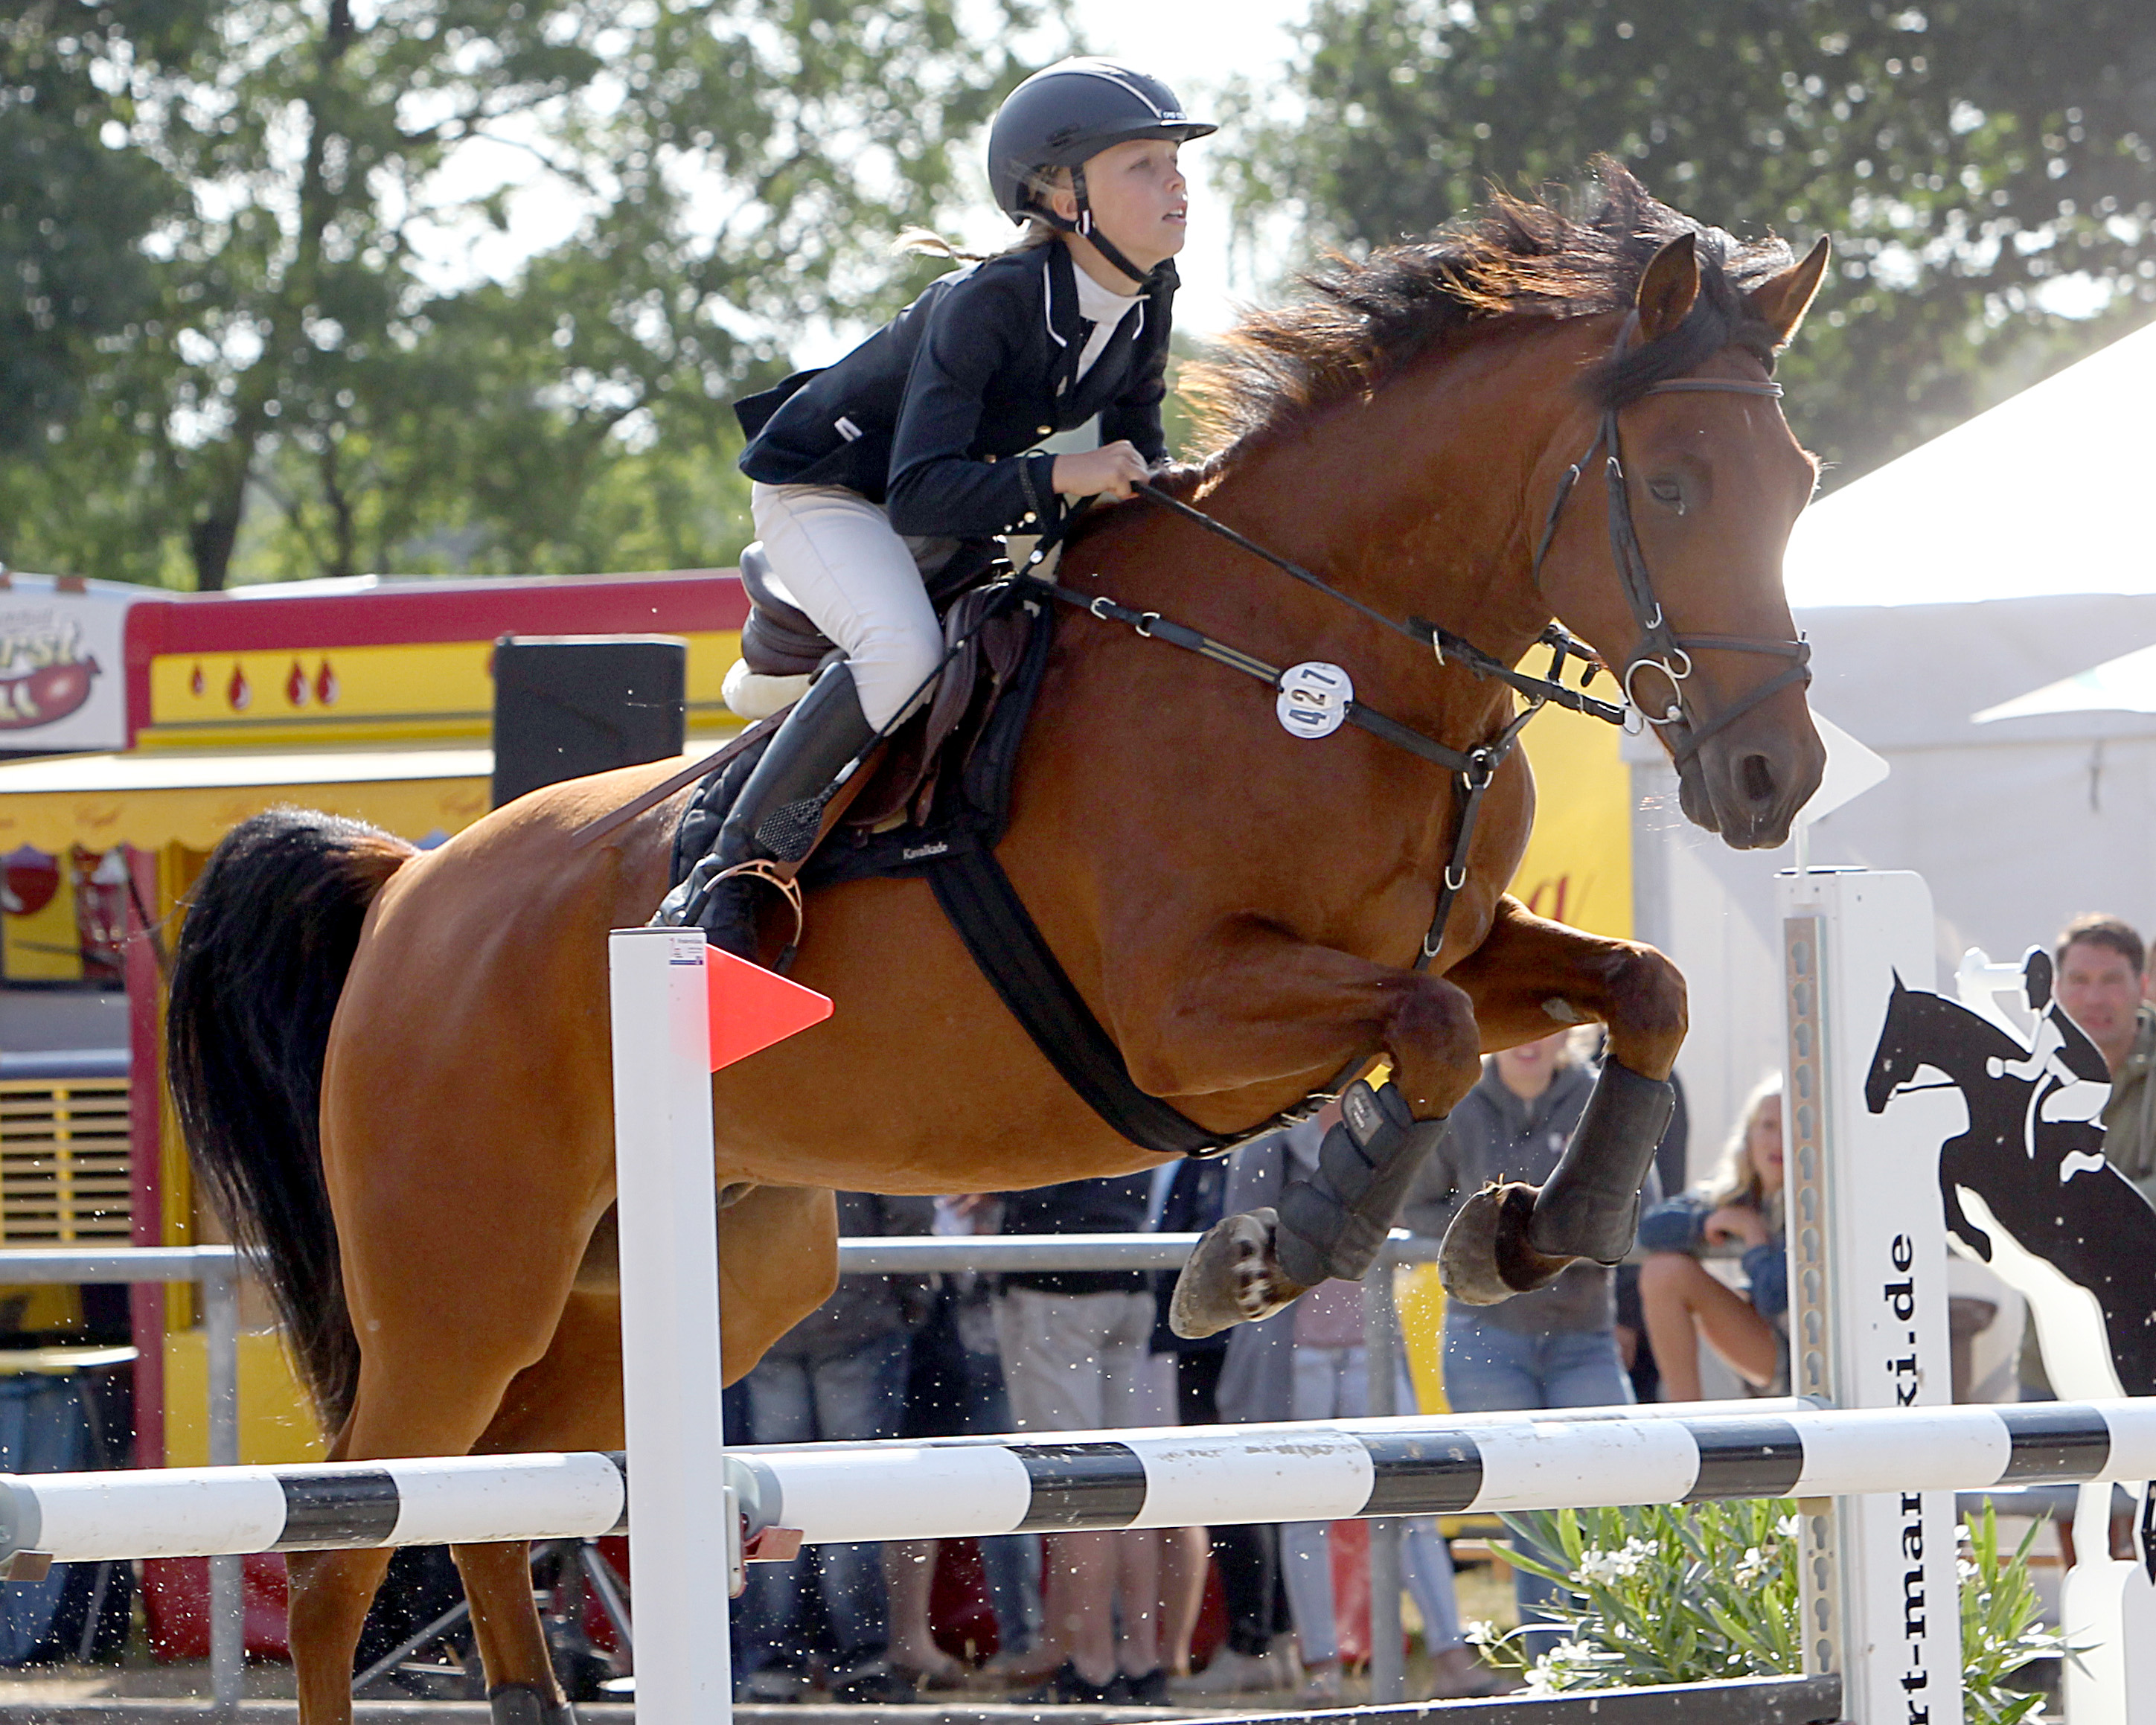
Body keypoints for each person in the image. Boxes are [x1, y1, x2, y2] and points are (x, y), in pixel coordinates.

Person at [662, 58, 1213, 958]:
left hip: (944, 508)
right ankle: (724, 870)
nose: (1176, 182)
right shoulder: (987, 303)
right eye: (1141, 165)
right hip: (830, 494)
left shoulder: (1147, 295)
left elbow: (1139, 449)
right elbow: (920, 484)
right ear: (1060, 194)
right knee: (905, 653)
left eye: (1175, 161)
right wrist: (1065, 480)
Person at [1219, 1113, 1492, 1703]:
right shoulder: (1271, 1143)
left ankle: (1449, 1654)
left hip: (1374, 1343)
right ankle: (1321, 1667)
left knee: (1410, 1498)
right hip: (1297, 1354)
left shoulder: (1391, 1132)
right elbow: (1237, 1240)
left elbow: (1430, 1214)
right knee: (1304, 1513)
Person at [1417, 1029, 1644, 1658]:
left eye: (1549, 1028)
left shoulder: (1597, 1098)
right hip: (1485, 1332)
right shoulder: (1460, 1102)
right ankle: (1554, 1669)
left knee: (1612, 1492)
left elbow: (1638, 1202)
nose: (1532, 1040)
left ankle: (1615, 1660)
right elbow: (1415, 1204)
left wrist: (1551, 1234)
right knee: (1530, 1509)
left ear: (1568, 1037)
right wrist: (1491, 1234)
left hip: (1582, 1334)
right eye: (1522, 1025)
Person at [735, 1191, 934, 1703]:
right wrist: (914, 1293)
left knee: (772, 1497)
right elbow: (906, 1211)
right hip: (858, 1311)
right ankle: (859, 1655)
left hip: (772, 1318)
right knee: (855, 1494)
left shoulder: (760, 1125)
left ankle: (774, 1659)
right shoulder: (864, 1123)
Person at [996, 1173, 1173, 1704]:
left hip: (1054, 1279)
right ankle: (1141, 1661)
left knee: (1073, 1484)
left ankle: (1092, 1665)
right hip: (1126, 1268)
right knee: (1128, 1482)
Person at [1147, 1156, 1295, 1696]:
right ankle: (1273, 1641)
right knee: (1251, 1489)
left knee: (1232, 1490)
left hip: (1216, 1334)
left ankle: (1253, 1642)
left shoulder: (1217, 1150)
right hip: (1216, 1330)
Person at [1636, 1077, 1788, 1403]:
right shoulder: (1740, 1191)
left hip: (1815, 1357)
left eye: (1792, 1126)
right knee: (1664, 1271)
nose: (1779, 1141)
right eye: (1768, 1126)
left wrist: (1754, 1239)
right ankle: (1685, 1419)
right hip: (1768, 1349)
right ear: (1748, 1135)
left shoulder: (1823, 1200)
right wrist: (1711, 1221)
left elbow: (1775, 1296)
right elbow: (1652, 1228)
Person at [2051, 913, 2156, 1204]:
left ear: (2142, 987)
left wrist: (2092, 1213)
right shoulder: (2029, 1073)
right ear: (2057, 989)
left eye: (2112, 980)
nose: (2094, 999)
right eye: (2079, 980)